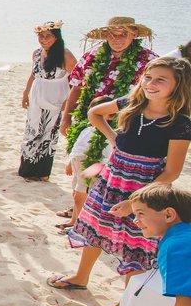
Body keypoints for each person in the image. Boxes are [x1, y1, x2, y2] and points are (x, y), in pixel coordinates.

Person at [49, 57, 191, 306]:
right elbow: (95, 113)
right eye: (148, 76)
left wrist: (135, 202)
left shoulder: (180, 123)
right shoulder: (132, 104)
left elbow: (171, 172)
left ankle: (124, 301)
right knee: (96, 228)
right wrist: (114, 139)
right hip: (113, 178)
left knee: (137, 242)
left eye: (161, 79)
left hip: (148, 187)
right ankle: (81, 277)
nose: (151, 83)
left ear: (178, 85)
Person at [55, 15, 157, 220]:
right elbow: (76, 88)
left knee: (114, 171)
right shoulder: (91, 56)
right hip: (89, 122)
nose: (117, 39)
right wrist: (66, 118)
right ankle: (79, 209)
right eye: (112, 34)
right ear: (105, 36)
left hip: (127, 125)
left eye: (123, 34)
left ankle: (105, 212)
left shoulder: (149, 61)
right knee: (82, 164)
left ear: (134, 35)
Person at [18, 21, 77, 180]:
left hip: (56, 96)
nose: (44, 39)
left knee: (49, 134)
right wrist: (25, 92)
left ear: (56, 37)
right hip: (37, 94)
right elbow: (33, 73)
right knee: (32, 131)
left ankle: (42, 173)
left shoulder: (65, 55)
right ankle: (27, 170)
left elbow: (78, 79)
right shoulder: (36, 53)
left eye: (48, 36)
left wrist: (69, 102)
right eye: (41, 36)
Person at [56, 95, 113, 234]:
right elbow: (77, 148)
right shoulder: (87, 130)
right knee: (76, 193)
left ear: (110, 116)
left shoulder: (108, 133)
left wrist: (96, 168)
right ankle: (74, 221)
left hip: (90, 166)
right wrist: (70, 162)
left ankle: (79, 225)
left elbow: (108, 156)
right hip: (77, 165)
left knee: (81, 196)